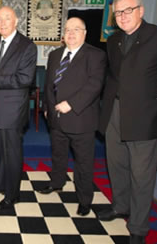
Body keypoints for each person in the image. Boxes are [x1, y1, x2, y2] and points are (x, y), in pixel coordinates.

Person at [97, 0, 157, 244]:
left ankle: (138, 229)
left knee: (142, 176)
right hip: (114, 113)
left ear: (141, 10)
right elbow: (114, 76)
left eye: (128, 10)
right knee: (117, 165)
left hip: (144, 117)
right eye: (118, 12)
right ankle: (120, 206)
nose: (122, 16)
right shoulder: (113, 41)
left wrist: (155, 105)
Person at [37, 17, 106, 216]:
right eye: (68, 30)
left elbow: (95, 85)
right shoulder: (55, 55)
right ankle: (57, 183)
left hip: (81, 118)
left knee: (83, 162)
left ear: (84, 33)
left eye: (76, 29)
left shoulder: (96, 55)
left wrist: (71, 104)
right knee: (58, 154)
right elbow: (50, 85)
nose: (71, 33)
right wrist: (47, 107)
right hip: (56, 117)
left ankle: (85, 199)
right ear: (63, 34)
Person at [0, 6, 37, 211]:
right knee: (0, 151)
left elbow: (25, 79)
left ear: (16, 21)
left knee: (12, 154)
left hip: (13, 110)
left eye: (7, 18)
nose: (2, 23)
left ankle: (13, 194)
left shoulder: (27, 46)